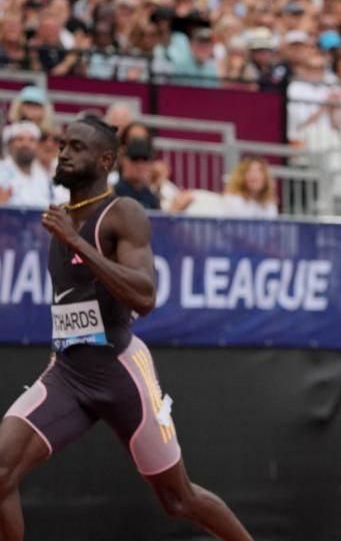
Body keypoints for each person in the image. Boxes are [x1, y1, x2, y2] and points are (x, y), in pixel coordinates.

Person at [0, 117, 253, 541]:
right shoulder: (60, 218)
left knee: (179, 500)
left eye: (76, 147)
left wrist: (77, 242)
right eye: (62, 144)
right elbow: (70, 300)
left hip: (120, 372)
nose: (63, 153)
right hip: (68, 373)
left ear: (104, 160)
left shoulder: (123, 213)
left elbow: (145, 297)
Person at [0, 121, 56, 208]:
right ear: (10, 144)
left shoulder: (43, 176)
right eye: (20, 139)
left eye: (31, 140)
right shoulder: (2, 171)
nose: (26, 144)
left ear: (37, 145)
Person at [113, 138, 160, 210]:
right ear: (124, 161)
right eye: (134, 158)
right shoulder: (115, 193)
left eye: (145, 159)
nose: (140, 165)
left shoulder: (150, 196)